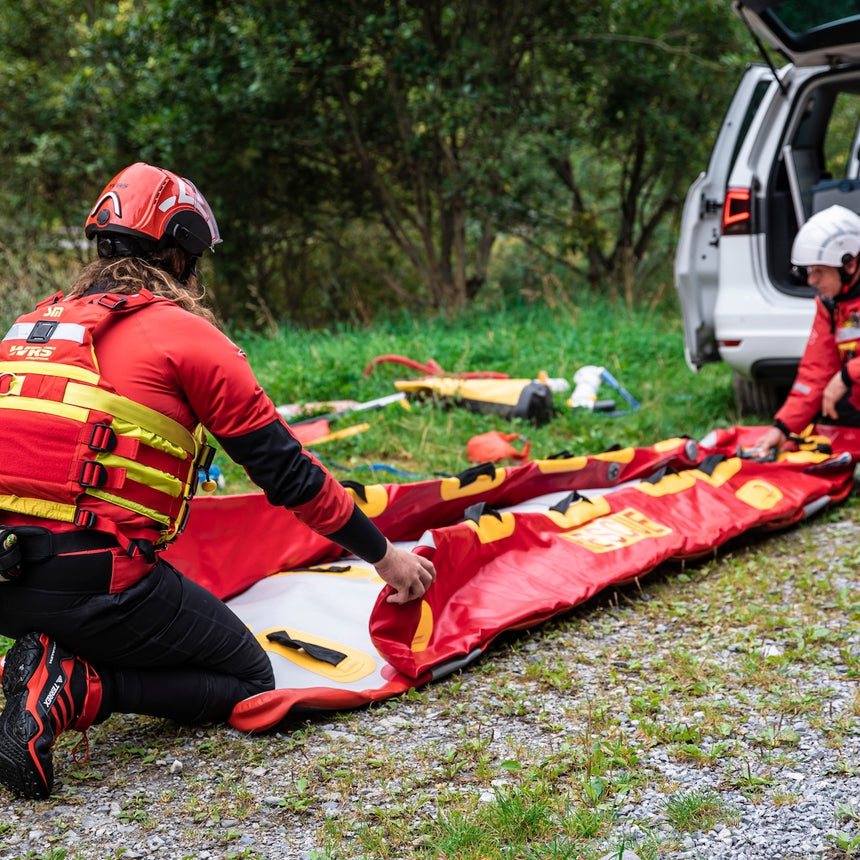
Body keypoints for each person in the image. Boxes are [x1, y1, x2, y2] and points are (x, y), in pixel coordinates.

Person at [0, 162, 435, 800]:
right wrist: (385, 556)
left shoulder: (30, 328)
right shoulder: (185, 336)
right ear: (179, 251)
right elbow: (286, 469)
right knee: (249, 677)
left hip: (6, 585)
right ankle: (78, 683)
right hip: (92, 582)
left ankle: (48, 651)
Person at [754, 204, 860, 456]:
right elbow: (815, 371)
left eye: (819, 272)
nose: (811, 281)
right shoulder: (831, 305)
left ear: (850, 265)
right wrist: (783, 427)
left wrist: (846, 375)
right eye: (809, 271)